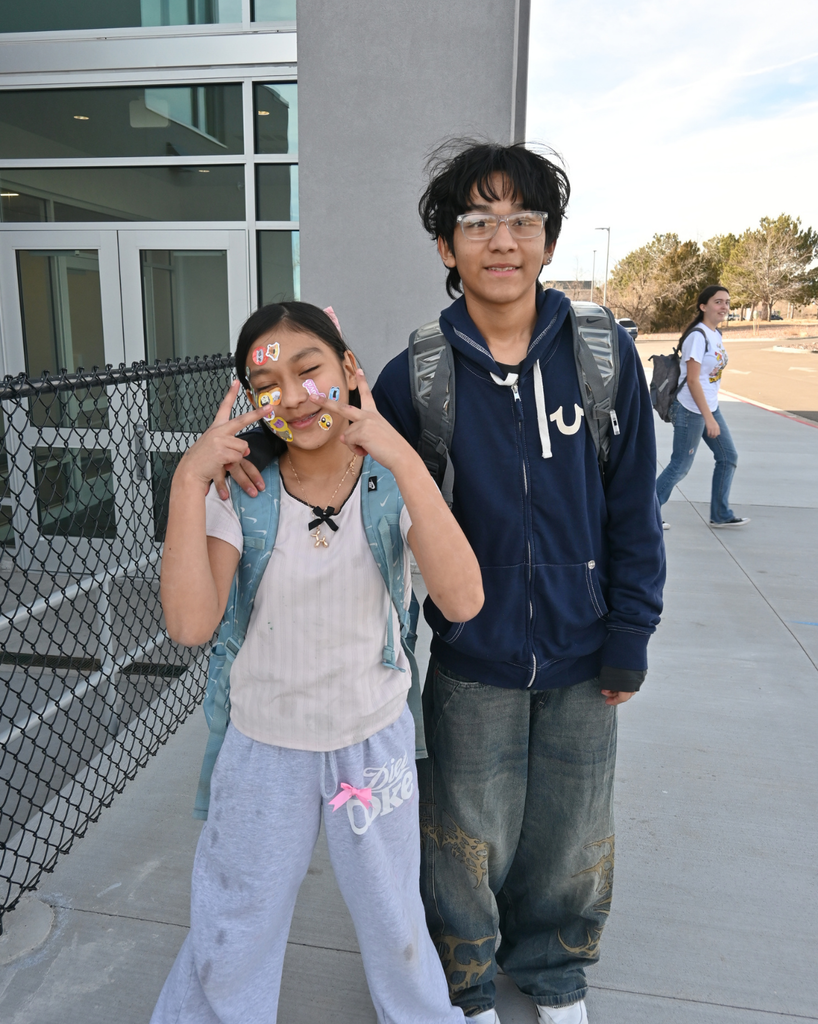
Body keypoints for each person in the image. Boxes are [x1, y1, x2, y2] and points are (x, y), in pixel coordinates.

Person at [370, 142, 666, 1024]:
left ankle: (557, 976)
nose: (502, 240)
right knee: (464, 840)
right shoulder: (414, 377)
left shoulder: (602, 356)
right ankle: (465, 985)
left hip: (584, 650)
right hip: (471, 656)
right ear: (445, 247)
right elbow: (354, 492)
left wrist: (630, 636)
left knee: (571, 835)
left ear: (546, 240)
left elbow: (634, 513)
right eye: (477, 221)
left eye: (522, 221)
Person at [151, 301, 483, 1024]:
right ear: (246, 401)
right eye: (266, 384)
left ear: (349, 371)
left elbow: (461, 601)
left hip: (372, 740)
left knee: (396, 922)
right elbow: (189, 624)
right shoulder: (242, 494)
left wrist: (396, 452)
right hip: (264, 747)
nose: (294, 397)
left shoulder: (392, 483)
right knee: (236, 923)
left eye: (310, 371)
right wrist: (187, 483)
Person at [656, 285, 749, 529]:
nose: (724, 307)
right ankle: (645, 515)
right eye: (718, 302)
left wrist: (711, 413)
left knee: (728, 457)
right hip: (691, 409)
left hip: (708, 407)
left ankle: (720, 514)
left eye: (727, 302)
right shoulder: (697, 337)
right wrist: (709, 418)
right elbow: (694, 380)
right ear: (703, 306)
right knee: (680, 466)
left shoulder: (715, 335)